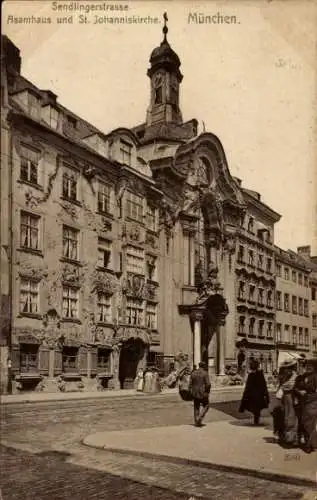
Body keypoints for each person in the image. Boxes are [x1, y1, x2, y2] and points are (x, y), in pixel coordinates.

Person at [273, 359, 298, 446]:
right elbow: (280, 387)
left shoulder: (295, 377)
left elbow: (295, 387)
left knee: (291, 417)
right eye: (286, 368)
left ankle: (291, 438)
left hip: (292, 397)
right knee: (284, 416)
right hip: (284, 398)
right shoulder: (284, 377)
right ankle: (285, 437)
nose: (287, 370)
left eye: (289, 368)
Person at [239, 359, 269, 425]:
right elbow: (264, 385)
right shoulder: (260, 375)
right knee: (257, 408)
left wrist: (245, 396)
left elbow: (248, 387)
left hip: (252, 395)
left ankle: (256, 420)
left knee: (254, 408)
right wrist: (266, 394)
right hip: (259, 395)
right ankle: (256, 419)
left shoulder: (251, 375)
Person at [300, 360, 317, 453]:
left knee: (309, 423)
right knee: (307, 423)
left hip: (313, 401)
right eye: (307, 365)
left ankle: (309, 445)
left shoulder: (315, 376)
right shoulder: (304, 376)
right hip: (305, 401)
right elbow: (298, 384)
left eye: (310, 366)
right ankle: (312, 444)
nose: (308, 367)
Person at [189, 361, 211, 427]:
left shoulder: (193, 373)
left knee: (196, 407)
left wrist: (191, 391)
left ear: (199, 366)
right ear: (204, 366)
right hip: (203, 392)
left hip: (195, 392)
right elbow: (208, 384)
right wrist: (207, 391)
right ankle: (200, 417)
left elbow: (190, 384)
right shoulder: (205, 373)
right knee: (206, 405)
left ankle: (197, 422)